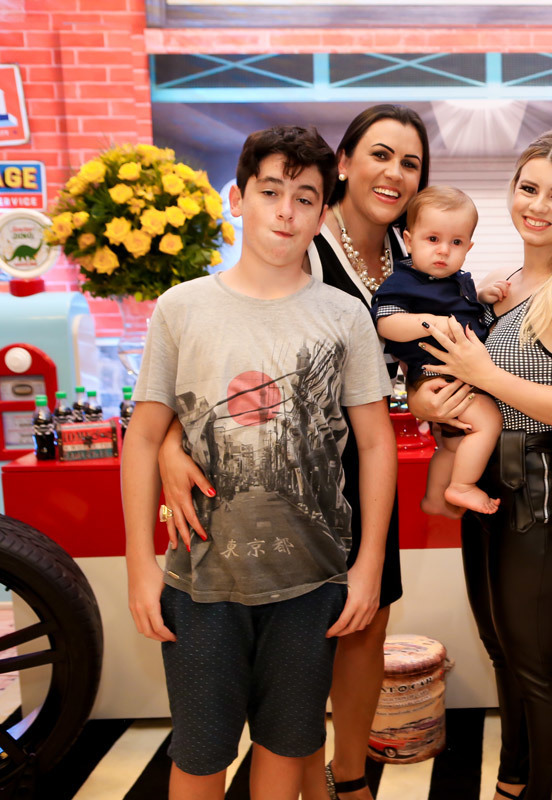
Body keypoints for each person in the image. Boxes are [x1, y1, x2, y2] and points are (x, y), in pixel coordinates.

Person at [154, 104, 430, 800]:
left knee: (358, 633)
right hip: (280, 482)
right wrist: (166, 443)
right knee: (265, 697)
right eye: (380, 154)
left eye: (411, 162)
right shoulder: (297, 245)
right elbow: (212, 368)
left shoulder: (413, 256)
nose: (394, 173)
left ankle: (349, 776)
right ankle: (316, 782)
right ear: (346, 166)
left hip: (354, 481)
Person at [410, 129, 552, 800]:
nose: (538, 205)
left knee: (536, 666)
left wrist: (484, 374)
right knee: (502, 649)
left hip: (543, 490)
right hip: (494, 486)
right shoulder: (506, 286)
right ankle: (512, 781)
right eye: (529, 188)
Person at [372, 185, 509, 516]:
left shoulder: (456, 281)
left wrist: (481, 296)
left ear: (469, 247)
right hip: (439, 374)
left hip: (457, 373)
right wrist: (430, 323)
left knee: (452, 444)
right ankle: (461, 486)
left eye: (456, 242)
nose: (444, 250)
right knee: (489, 421)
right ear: (409, 240)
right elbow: (386, 323)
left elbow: (466, 312)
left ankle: (435, 498)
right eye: (432, 239)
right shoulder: (405, 281)